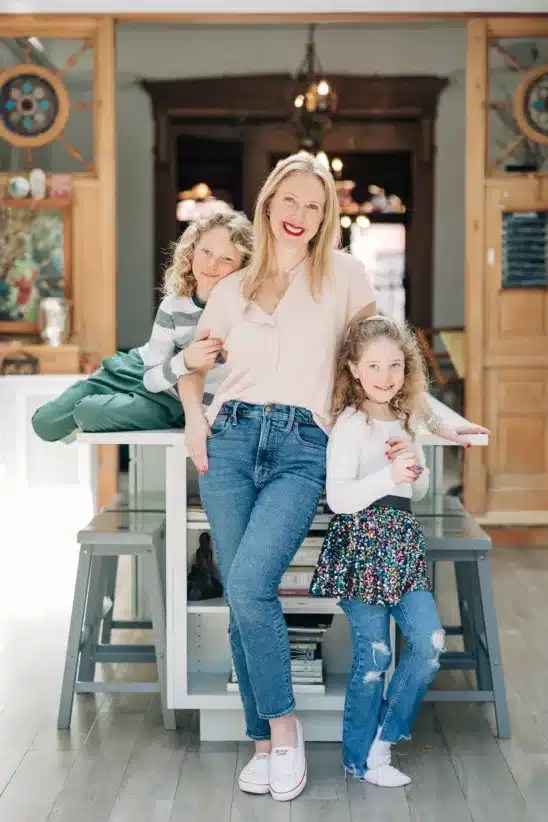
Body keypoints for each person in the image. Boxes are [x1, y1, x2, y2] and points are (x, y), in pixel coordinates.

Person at [178, 152, 486, 803]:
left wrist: (440, 417)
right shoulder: (234, 286)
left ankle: (280, 732)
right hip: (230, 441)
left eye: (315, 207)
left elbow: (385, 353)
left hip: (300, 445)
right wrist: (194, 420)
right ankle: (267, 740)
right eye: (289, 202)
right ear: (267, 205)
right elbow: (193, 361)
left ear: (327, 218)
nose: (300, 216)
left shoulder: (344, 274)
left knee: (253, 580)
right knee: (241, 593)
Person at [309, 315, 446, 788]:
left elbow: (420, 490)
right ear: (354, 369)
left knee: (429, 644)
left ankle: (383, 742)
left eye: (394, 366)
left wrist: (411, 463)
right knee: (375, 655)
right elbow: (341, 499)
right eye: (374, 366)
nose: (386, 376)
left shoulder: (406, 420)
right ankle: (357, 759)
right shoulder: (351, 424)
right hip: (362, 548)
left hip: (402, 548)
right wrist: (389, 475)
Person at [31, 211, 253, 442]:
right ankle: (96, 407)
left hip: (171, 402)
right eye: (206, 252)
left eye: (226, 259)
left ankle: (91, 416)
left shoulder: (243, 315)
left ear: (242, 267)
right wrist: (185, 360)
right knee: (45, 423)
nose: (212, 264)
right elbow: (151, 378)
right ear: (192, 250)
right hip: (137, 370)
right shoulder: (173, 305)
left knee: (86, 412)